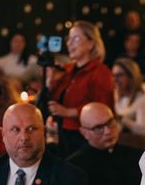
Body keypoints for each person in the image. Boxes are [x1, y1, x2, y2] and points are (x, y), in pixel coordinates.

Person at [48, 21, 114, 157]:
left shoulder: (101, 72)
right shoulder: (67, 70)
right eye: (69, 39)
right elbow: (52, 99)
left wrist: (68, 112)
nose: (69, 43)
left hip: (84, 137)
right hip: (61, 134)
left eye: (76, 38)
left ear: (91, 43)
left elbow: (103, 107)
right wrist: (50, 79)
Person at [112, 58, 145, 135]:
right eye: (113, 75)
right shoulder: (116, 94)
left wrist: (122, 118)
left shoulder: (141, 99)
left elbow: (142, 130)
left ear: (131, 76)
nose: (115, 79)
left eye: (119, 75)